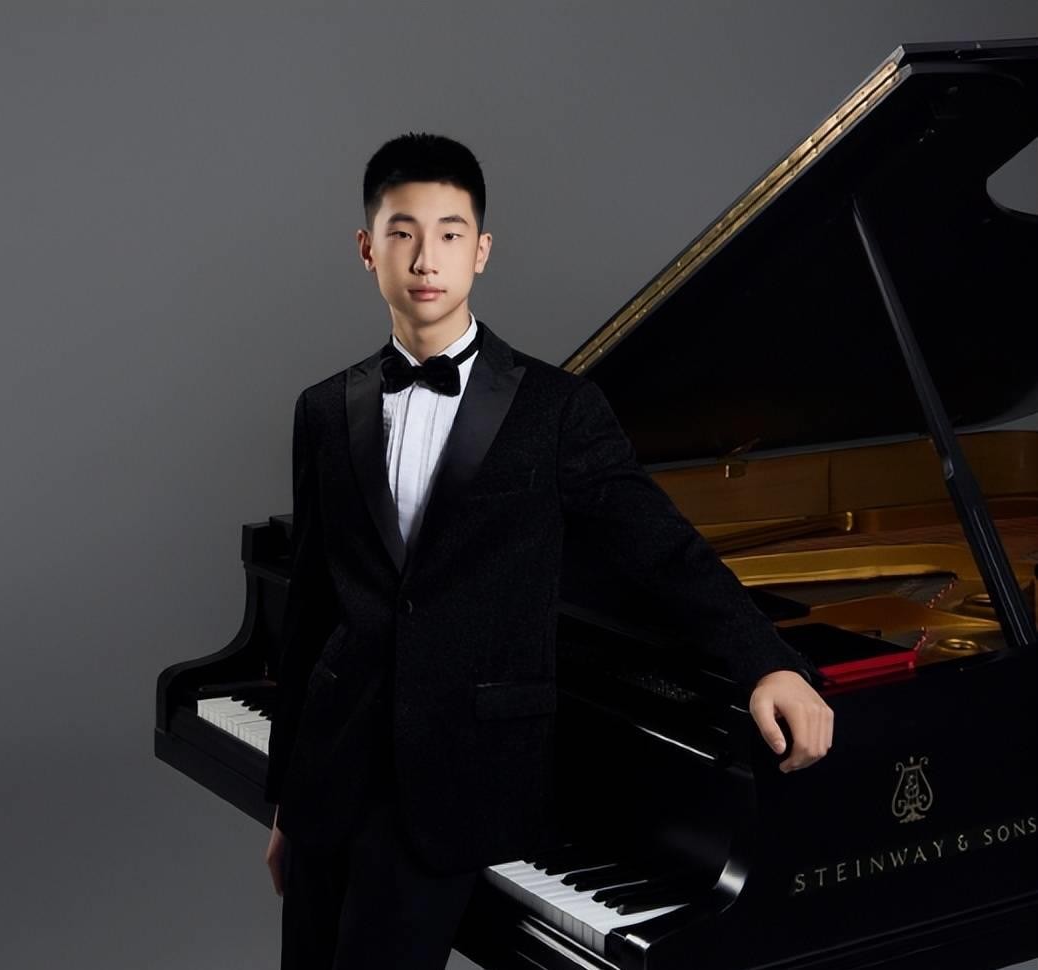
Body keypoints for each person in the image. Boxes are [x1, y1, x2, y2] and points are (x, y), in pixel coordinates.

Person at [262, 132, 834, 969]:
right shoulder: (322, 409)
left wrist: (767, 663)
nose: (426, 258)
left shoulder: (556, 409)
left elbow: (663, 551)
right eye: (402, 232)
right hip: (331, 770)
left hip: (458, 772)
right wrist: (285, 796)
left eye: (450, 233)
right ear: (367, 248)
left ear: (481, 251)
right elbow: (310, 608)